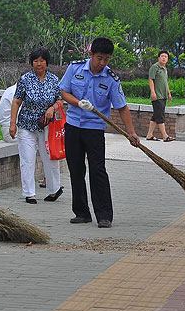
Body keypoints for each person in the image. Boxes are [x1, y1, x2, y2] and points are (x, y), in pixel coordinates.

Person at [59, 37, 140, 228]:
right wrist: (78, 102)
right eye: (99, 58)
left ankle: (104, 215)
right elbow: (63, 91)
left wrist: (131, 133)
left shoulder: (111, 79)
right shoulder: (75, 68)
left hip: (94, 130)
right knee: (76, 169)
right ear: (91, 54)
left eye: (106, 59)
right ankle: (81, 213)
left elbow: (122, 107)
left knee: (98, 171)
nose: (102, 63)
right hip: (73, 126)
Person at [9, 48, 63, 204]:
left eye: (42, 60)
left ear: (47, 62)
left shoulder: (53, 79)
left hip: (47, 126)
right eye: (35, 61)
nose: (39, 64)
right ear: (31, 63)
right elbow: (16, 101)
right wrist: (12, 124)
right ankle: (29, 193)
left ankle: (54, 190)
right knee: (27, 159)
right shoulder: (25, 79)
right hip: (27, 125)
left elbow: (60, 99)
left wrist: (52, 108)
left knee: (50, 158)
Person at [146, 51, 174, 142]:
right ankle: (165, 136)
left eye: (166, 57)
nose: (164, 58)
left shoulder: (164, 69)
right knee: (160, 116)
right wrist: (153, 92)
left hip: (163, 95)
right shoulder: (155, 67)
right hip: (157, 96)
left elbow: (165, 82)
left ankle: (149, 135)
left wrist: (169, 93)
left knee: (156, 116)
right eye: (162, 56)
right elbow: (150, 80)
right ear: (158, 58)